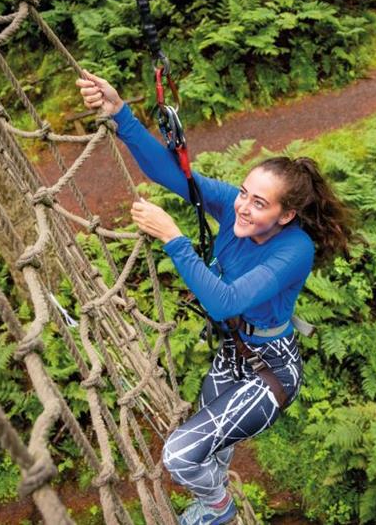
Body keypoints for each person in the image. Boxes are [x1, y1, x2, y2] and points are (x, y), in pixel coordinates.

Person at [76, 70, 353, 525]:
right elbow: (173, 174)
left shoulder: (294, 249)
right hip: (235, 350)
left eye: (260, 203)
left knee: (181, 455)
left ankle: (219, 511)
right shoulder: (233, 209)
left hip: (272, 370)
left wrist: (174, 238)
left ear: (287, 215)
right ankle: (215, 498)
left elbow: (224, 301)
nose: (243, 206)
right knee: (214, 449)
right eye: (244, 193)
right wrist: (119, 112)